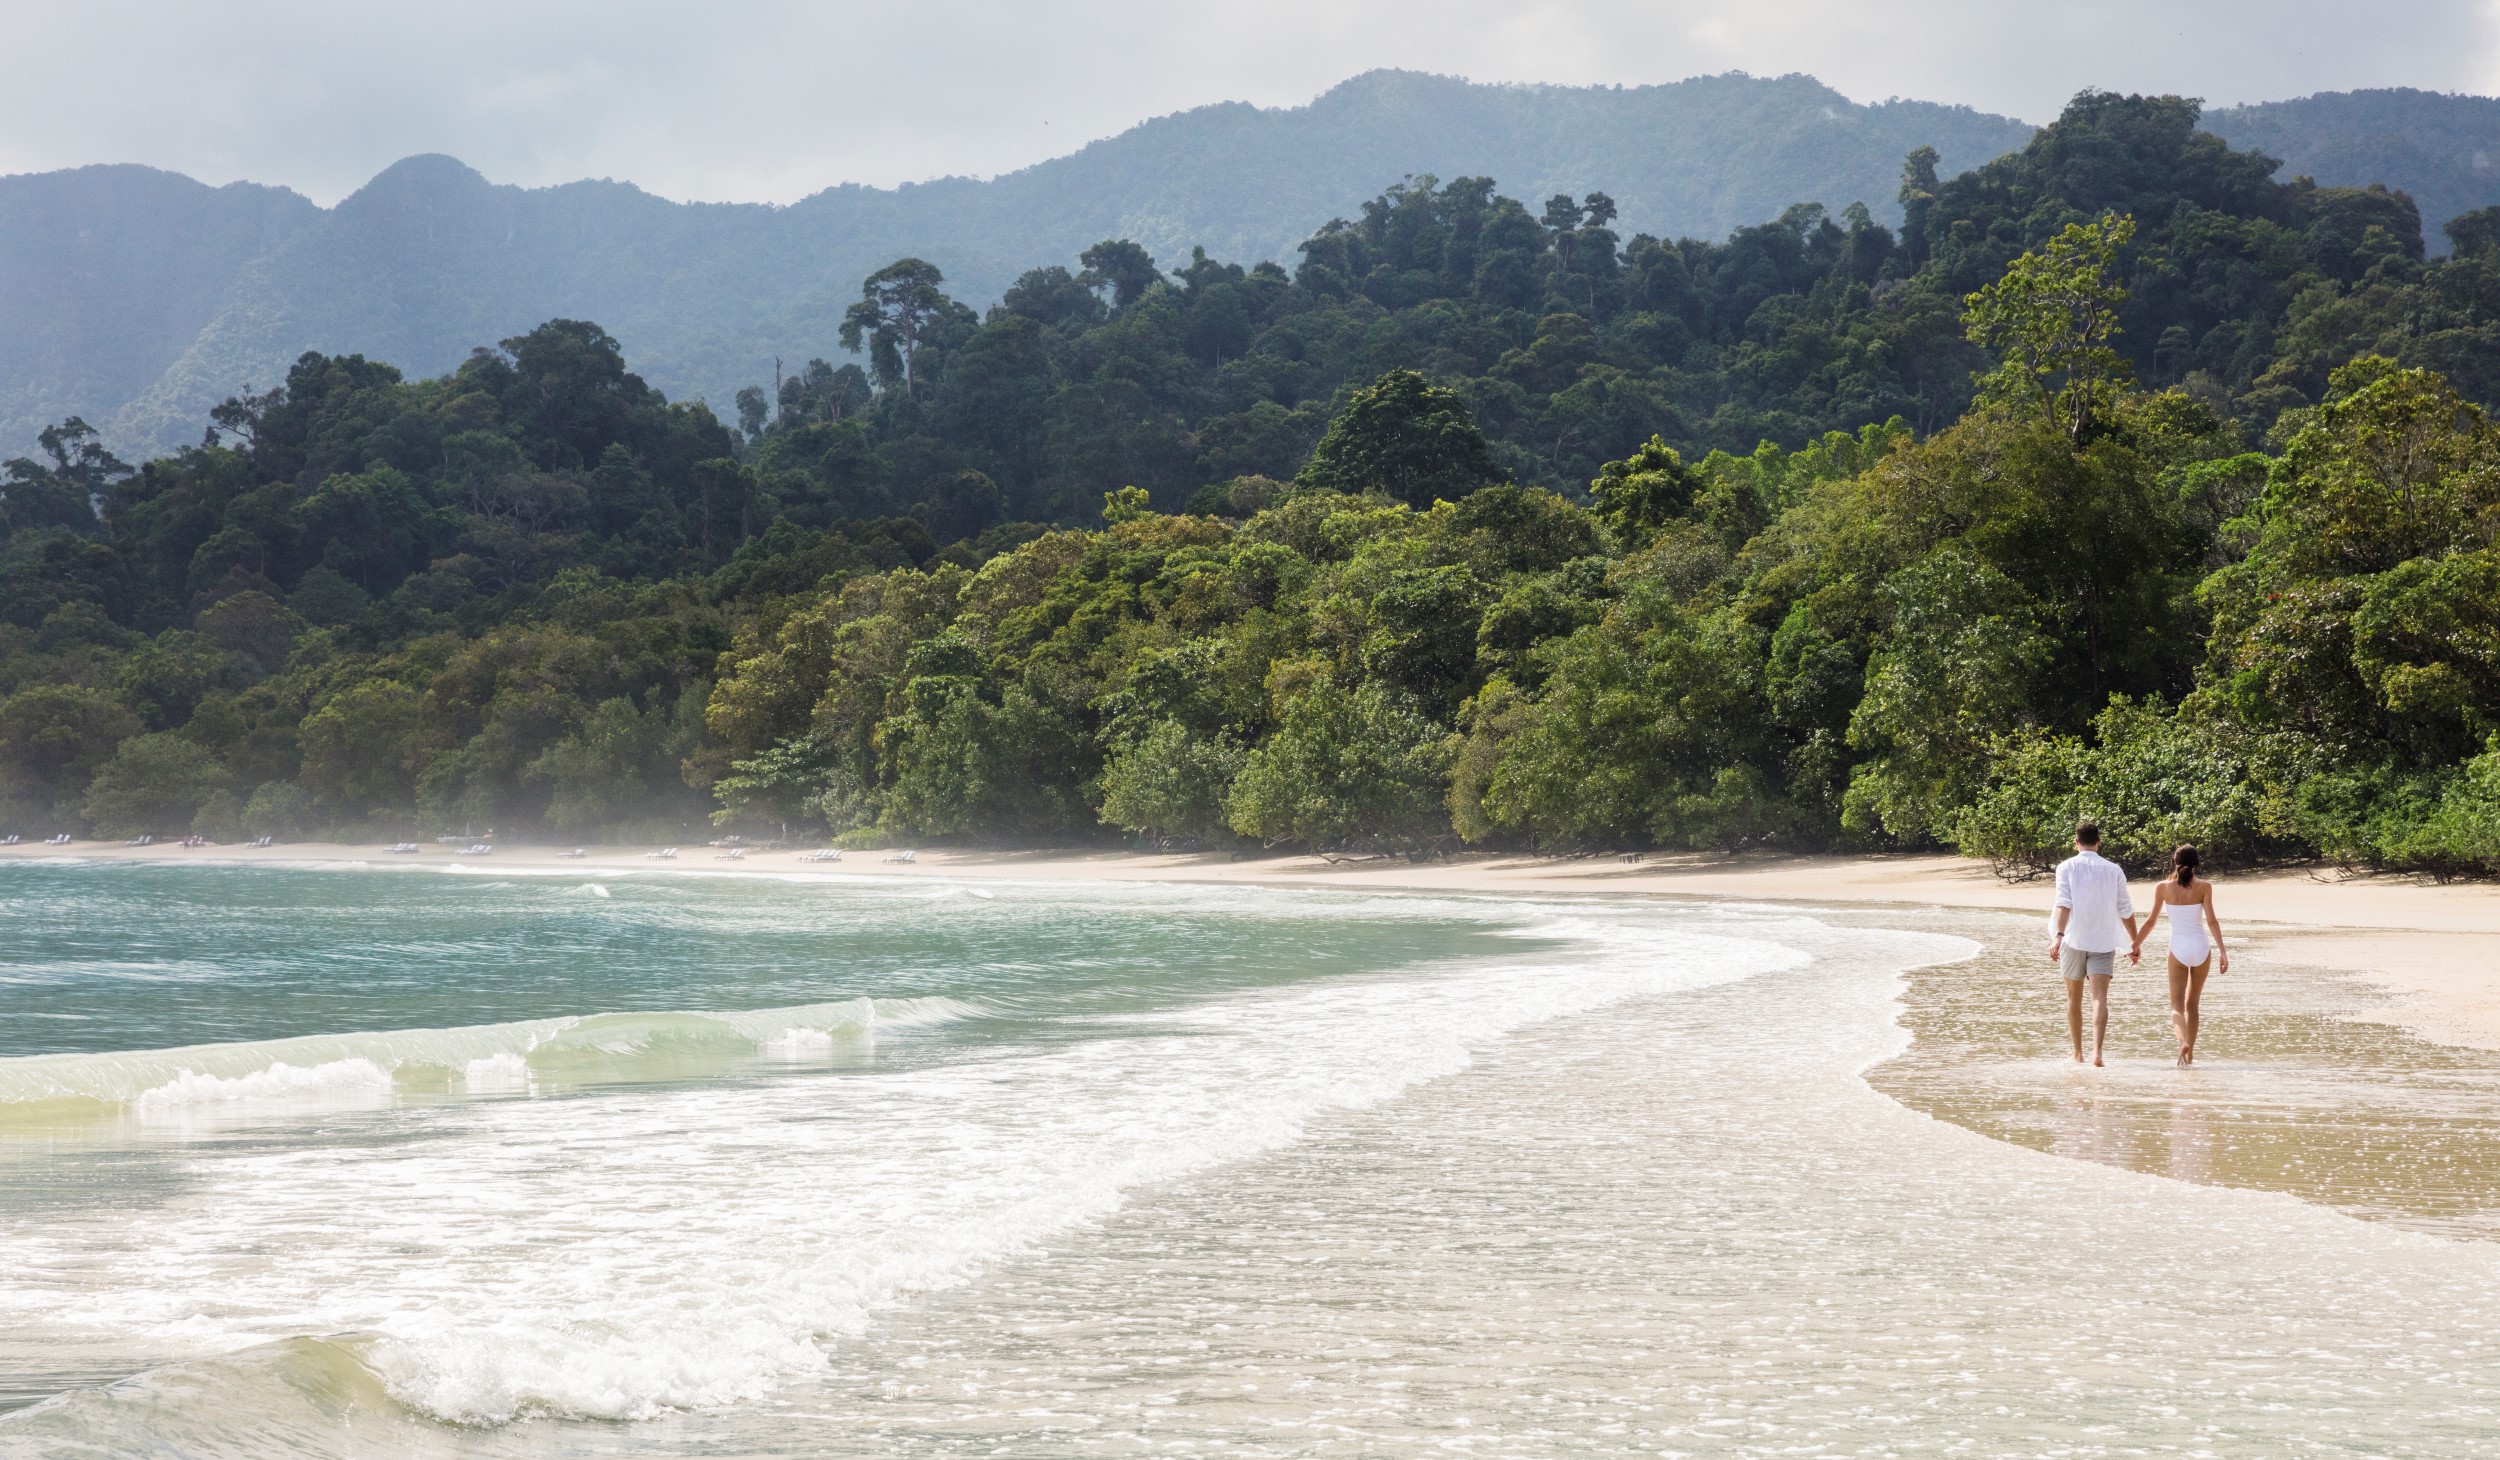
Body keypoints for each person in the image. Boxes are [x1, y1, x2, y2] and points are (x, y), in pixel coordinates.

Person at [2047, 822, 2141, 1067]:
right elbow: (2125, 910)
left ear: (2076, 842)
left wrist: (2058, 935)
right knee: (2099, 998)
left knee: (2073, 999)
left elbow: (2063, 904)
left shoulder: (2065, 867)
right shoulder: (2114, 869)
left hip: (2073, 940)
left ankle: (2078, 1052)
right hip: (2103, 941)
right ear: (2099, 841)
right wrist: (2134, 942)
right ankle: (2097, 1053)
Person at [2133, 843, 2228, 1067]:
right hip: (2201, 948)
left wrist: (2134, 945)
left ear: (2174, 861)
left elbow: (2150, 921)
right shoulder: (2205, 886)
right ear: (2196, 864)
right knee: (2192, 1004)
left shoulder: (2163, 887)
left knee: (2176, 1006)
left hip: (2178, 948)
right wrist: (2223, 951)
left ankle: (2181, 1042)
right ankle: (2190, 1055)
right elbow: (2212, 921)